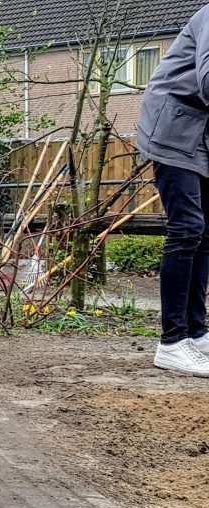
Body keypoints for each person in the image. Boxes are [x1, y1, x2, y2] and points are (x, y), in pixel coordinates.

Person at [137, 6, 209, 377]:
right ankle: (172, 342)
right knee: (187, 228)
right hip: (171, 127)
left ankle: (196, 334)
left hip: (200, 134)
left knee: (204, 232)